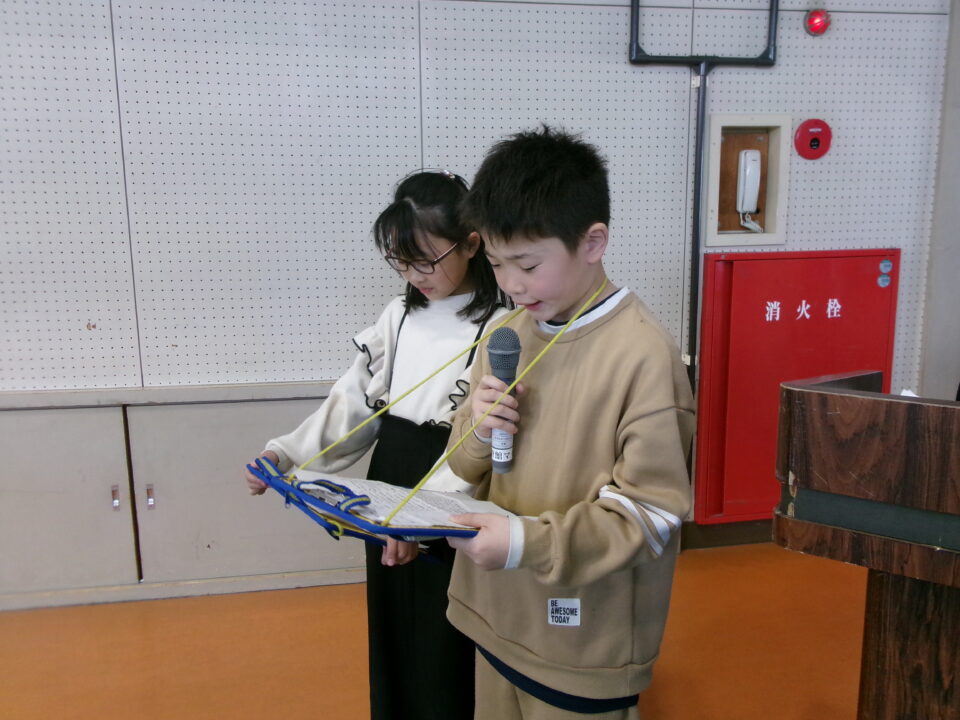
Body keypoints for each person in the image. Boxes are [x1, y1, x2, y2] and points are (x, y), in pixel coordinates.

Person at [443, 127, 696, 720]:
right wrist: (479, 428)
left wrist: (525, 543)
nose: (511, 285)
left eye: (528, 264)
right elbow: (460, 462)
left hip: (580, 644)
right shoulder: (506, 334)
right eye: (497, 264)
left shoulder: (642, 353)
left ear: (593, 242)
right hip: (495, 614)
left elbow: (650, 515)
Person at [244, 170, 509, 720]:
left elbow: (477, 442)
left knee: (446, 634)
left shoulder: (502, 325)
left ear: (472, 244)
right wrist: (284, 454)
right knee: (392, 625)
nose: (414, 276)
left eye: (426, 261)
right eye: (401, 262)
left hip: (456, 484)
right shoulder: (398, 315)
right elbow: (352, 404)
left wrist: (419, 521)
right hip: (391, 476)